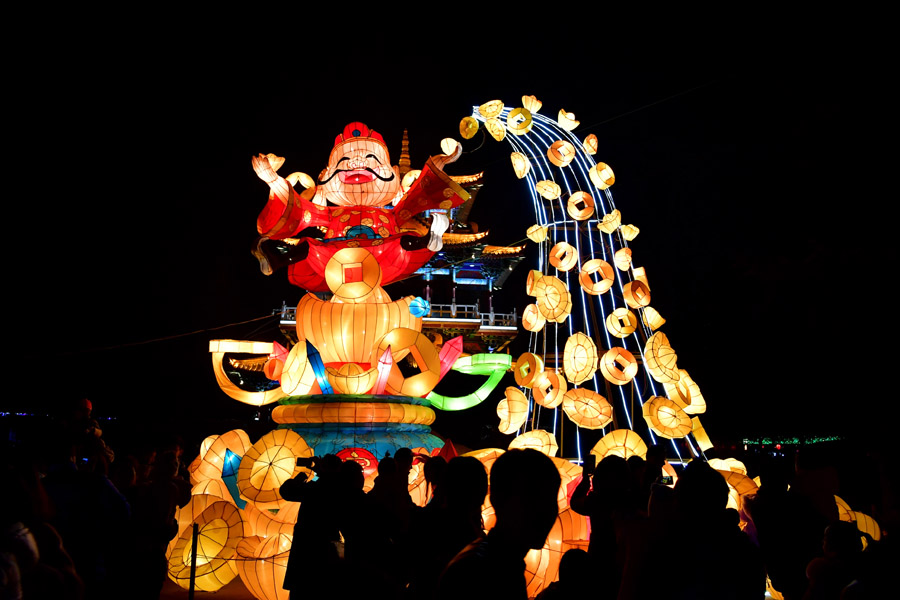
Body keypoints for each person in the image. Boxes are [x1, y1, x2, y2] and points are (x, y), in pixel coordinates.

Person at [251, 122, 467, 290]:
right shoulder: (331, 212)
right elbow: (297, 207)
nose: (356, 165)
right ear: (325, 175)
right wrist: (271, 179)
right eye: (344, 162)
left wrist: (444, 160)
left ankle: (429, 239)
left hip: (382, 250)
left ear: (393, 172)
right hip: (336, 254)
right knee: (309, 246)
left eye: (371, 159)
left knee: (402, 241)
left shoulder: (388, 213)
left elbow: (424, 183)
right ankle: (275, 260)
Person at [436, 449, 561, 600]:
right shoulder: (477, 573)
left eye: (550, 499)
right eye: (532, 498)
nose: (544, 512)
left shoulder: (505, 566)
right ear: (497, 499)